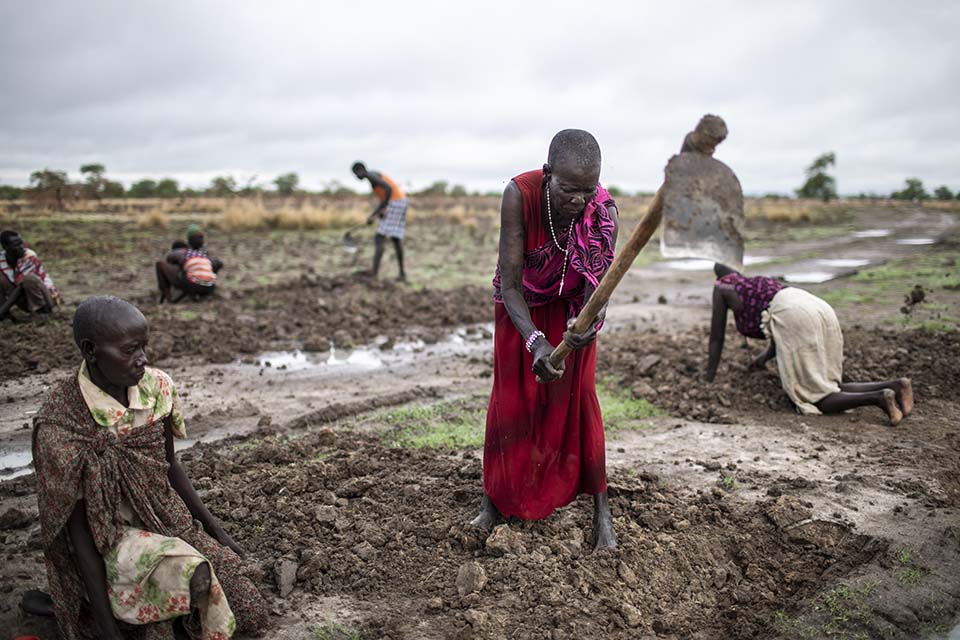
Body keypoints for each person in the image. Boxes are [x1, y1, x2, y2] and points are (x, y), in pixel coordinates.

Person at [32, 296, 268, 639]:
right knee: (192, 574)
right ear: (90, 350)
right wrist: (105, 626)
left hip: (164, 516)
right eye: (129, 350)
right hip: (109, 536)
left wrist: (218, 534)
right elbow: (79, 531)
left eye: (144, 346)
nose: (142, 359)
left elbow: (169, 465)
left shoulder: (157, 388)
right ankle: (104, 607)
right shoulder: (63, 422)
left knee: (250, 610)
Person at [471, 130, 620, 549]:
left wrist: (585, 325)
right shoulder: (519, 195)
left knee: (579, 401)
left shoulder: (604, 211)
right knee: (510, 400)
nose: (579, 199)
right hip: (519, 309)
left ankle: (601, 513)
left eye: (587, 190)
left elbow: (598, 287)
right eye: (568, 188)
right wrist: (535, 341)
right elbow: (511, 283)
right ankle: (492, 502)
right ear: (548, 172)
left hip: (572, 310)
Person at [705, 263, 913, 424]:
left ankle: (878, 398)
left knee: (816, 397)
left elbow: (716, 337)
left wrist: (709, 379)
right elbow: (778, 327)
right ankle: (896, 385)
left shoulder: (722, 286)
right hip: (817, 306)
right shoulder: (756, 284)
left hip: (794, 316)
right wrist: (762, 359)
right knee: (830, 385)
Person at [352, 162, 408, 281]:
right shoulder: (372, 176)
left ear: (360, 170)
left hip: (396, 202)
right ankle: (402, 274)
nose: (356, 177)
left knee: (379, 237)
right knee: (395, 238)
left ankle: (374, 274)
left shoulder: (371, 176)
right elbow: (385, 194)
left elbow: (388, 188)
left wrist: (379, 210)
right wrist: (378, 213)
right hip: (399, 201)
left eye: (356, 174)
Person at [0, 229, 61, 322]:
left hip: (46, 298)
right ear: (5, 247)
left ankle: (41, 313)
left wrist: (2, 310)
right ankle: (6, 316)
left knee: (29, 279)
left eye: (21, 243)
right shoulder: (1, 259)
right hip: (25, 298)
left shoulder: (29, 256)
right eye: (16, 245)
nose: (21, 247)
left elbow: (22, 286)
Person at [156, 224, 223, 303]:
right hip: (210, 287)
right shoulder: (204, 254)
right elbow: (218, 263)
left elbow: (169, 259)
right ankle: (199, 294)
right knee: (192, 271)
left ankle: (168, 298)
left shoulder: (183, 252)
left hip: (192, 284)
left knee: (163, 266)